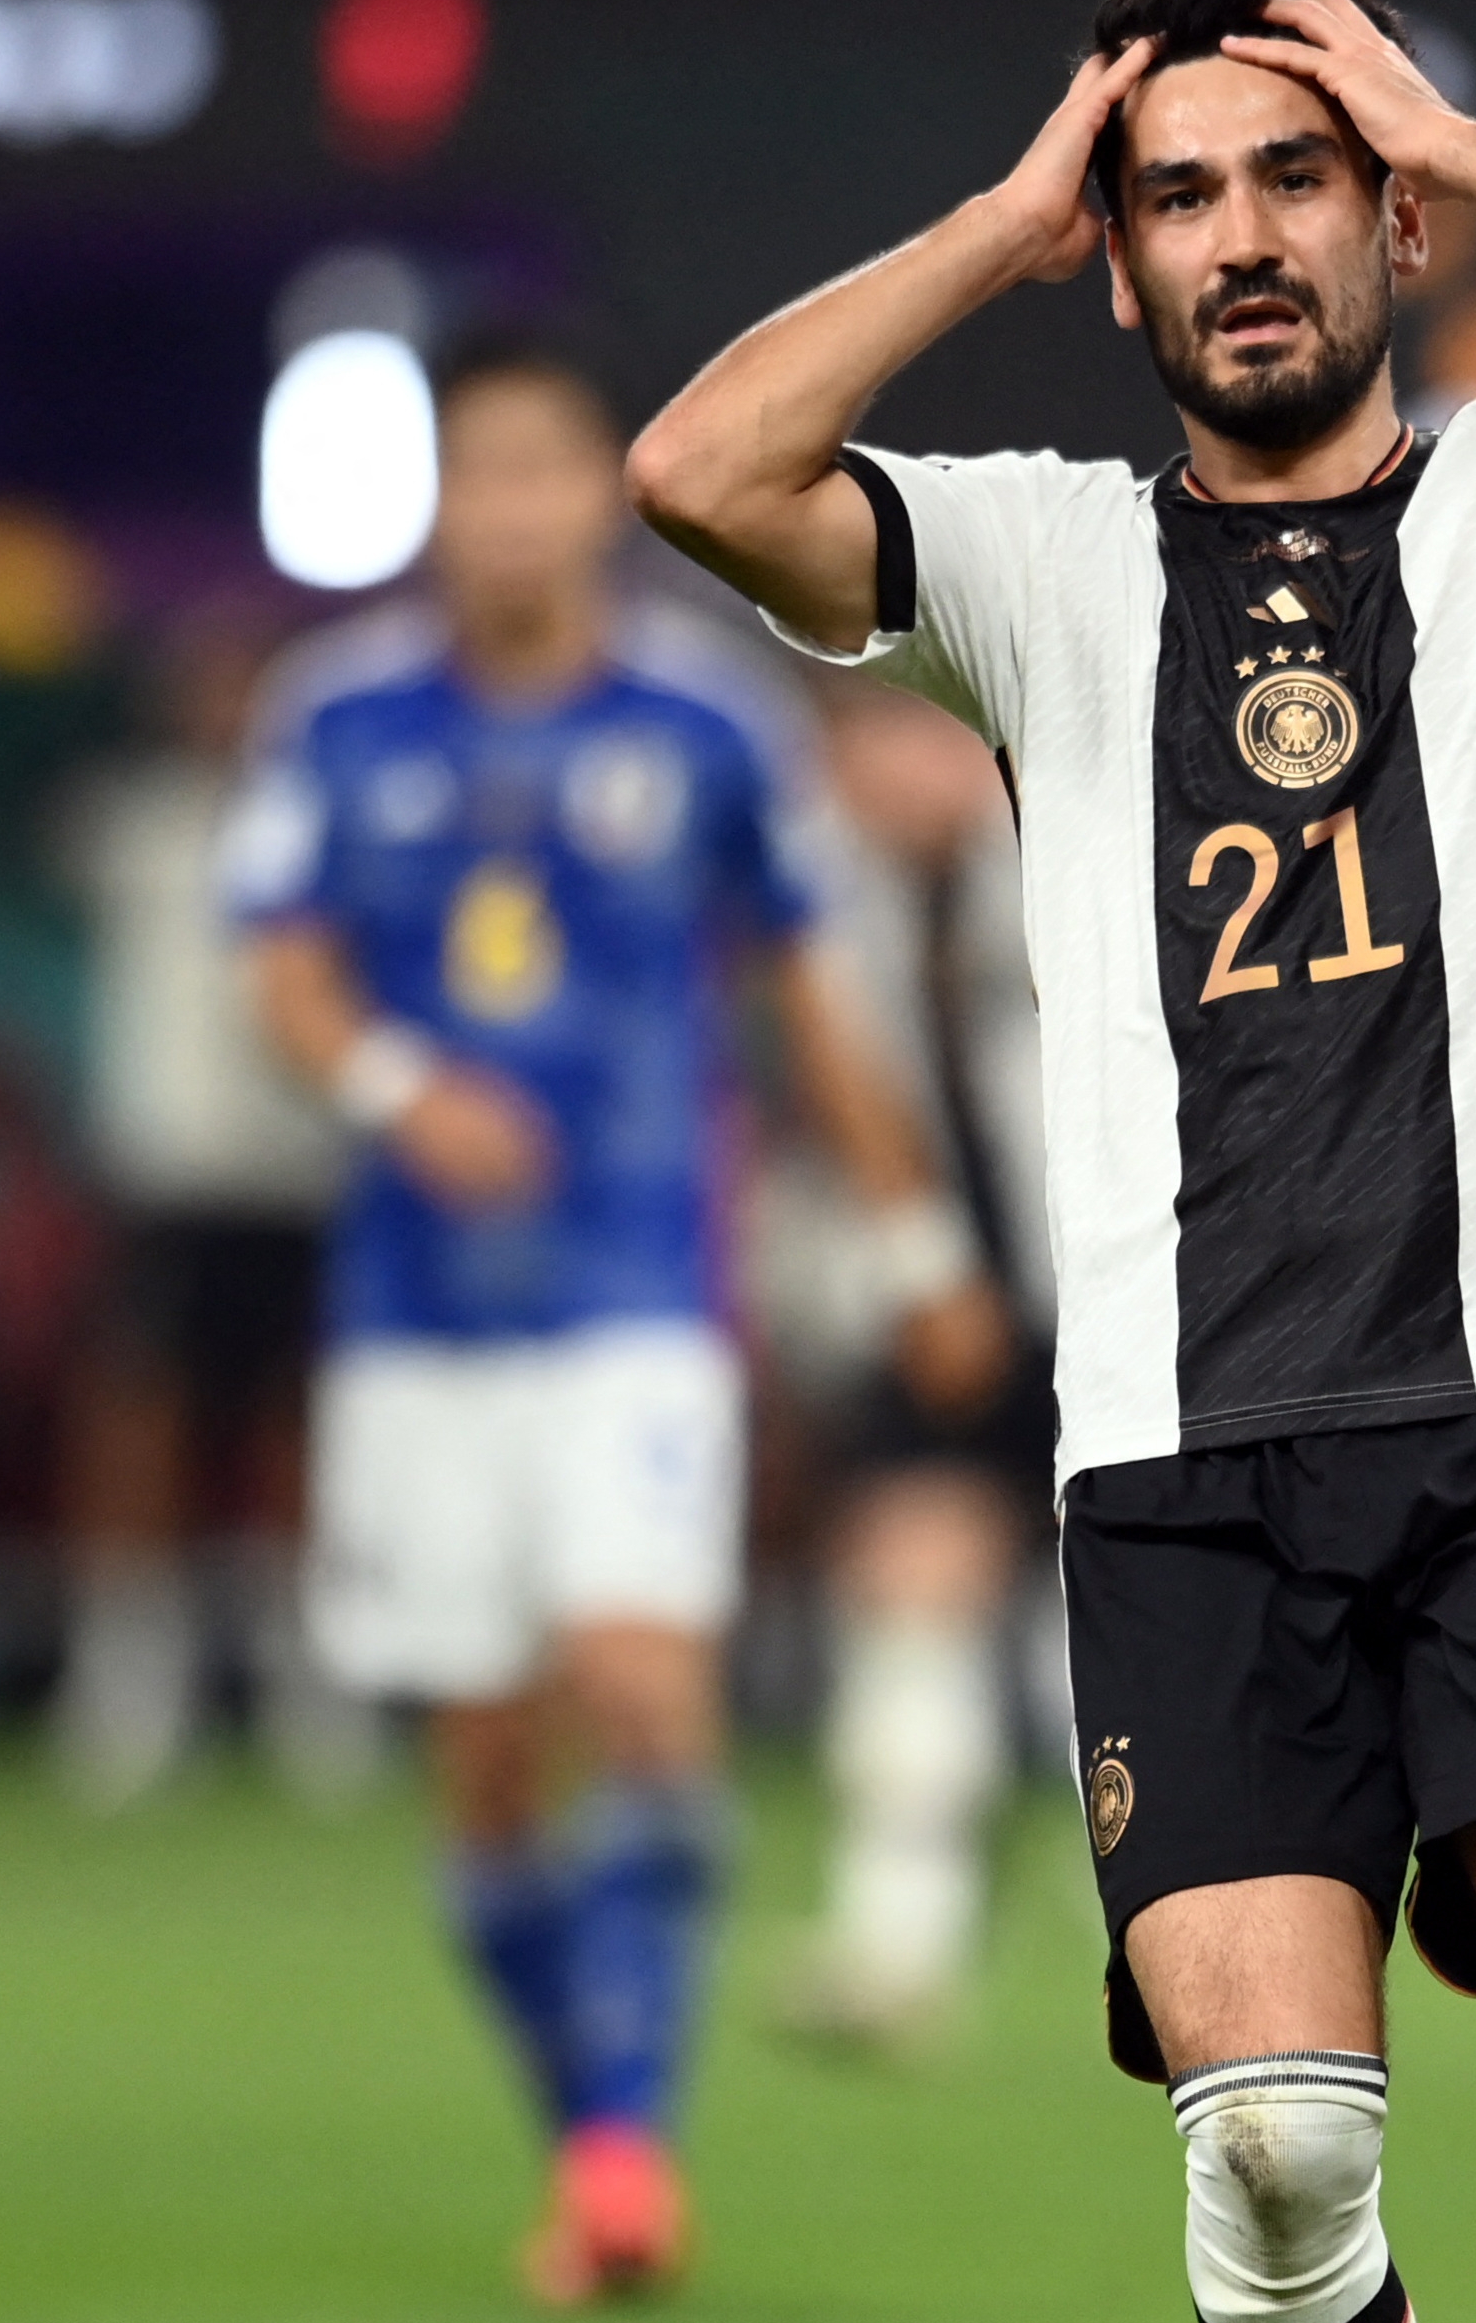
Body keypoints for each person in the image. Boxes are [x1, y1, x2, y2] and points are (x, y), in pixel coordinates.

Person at [629, 0, 1476, 2323]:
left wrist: (1459, 134)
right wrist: (1006, 218)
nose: (1242, 236)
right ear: (1121, 264)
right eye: (1178, 195)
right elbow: (699, 469)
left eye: (1298, 175)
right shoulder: (1037, 565)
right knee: (1283, 2162)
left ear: (1391, 219)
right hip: (1181, 1459)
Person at [227, 336, 999, 2303]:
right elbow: (286, 975)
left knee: (643, 1694)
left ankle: (631, 2154)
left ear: (599, 494)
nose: (507, 511)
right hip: (414, 1324)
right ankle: (587, 2129)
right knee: (489, 1774)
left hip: (641, 1294)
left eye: (541, 473)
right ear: (436, 502)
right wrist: (405, 1092)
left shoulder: (708, 722)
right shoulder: (333, 720)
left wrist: (916, 1251)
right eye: (473, 474)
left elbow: (813, 995)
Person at [759, 678, 1055, 2045]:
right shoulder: (813, 882)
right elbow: (838, 1076)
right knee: (912, 1574)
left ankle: (1180, 1933)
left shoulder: (1084, 838)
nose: (908, 764)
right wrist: (929, 1268)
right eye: (872, 731)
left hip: (1123, 1279)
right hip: (917, 1288)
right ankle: (897, 1942)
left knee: (1147, 1624)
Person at [50, 609, 365, 1808]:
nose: (226, 714)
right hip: (164, 1176)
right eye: (208, 690)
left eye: (248, 691)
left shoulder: (338, 826)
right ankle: (133, 1678)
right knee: (139, 1425)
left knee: (296, 1432)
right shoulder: (132, 825)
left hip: (298, 1173)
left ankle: (305, 1679)